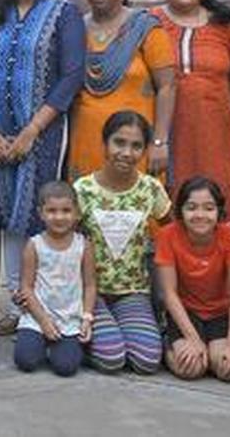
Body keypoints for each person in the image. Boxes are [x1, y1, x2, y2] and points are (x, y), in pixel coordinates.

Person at [0, 0, 85, 336]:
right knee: (8, 218)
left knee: (39, 214)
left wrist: (31, 131)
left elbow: (71, 76)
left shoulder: (63, 12)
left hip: (44, 136)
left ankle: (48, 307)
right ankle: (18, 305)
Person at [151, 0, 230, 221]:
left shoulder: (225, 24)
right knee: (169, 196)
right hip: (166, 127)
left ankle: (221, 260)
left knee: (217, 191)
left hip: (214, 128)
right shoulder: (150, 22)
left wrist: (210, 98)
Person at [68, 0, 175, 181]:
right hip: (86, 141)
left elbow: (167, 87)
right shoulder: (74, 28)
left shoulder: (145, 28)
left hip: (134, 144)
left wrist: (160, 141)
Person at [77, 111, 170, 374]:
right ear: (105, 144)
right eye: (119, 143)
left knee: (147, 361)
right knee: (111, 359)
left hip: (133, 292)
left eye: (136, 145)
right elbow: (59, 241)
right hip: (89, 294)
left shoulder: (151, 189)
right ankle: (94, 336)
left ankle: (120, 325)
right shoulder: (82, 190)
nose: (127, 153)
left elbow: (176, 231)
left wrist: (225, 233)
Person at [155, 176, 230, 382]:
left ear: (219, 212)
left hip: (220, 314)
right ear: (180, 211)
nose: (200, 215)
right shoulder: (167, 236)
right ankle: (167, 343)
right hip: (186, 313)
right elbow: (169, 293)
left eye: (209, 208)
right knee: (191, 368)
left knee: (228, 369)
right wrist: (193, 339)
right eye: (191, 207)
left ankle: (221, 346)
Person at [12, 181, 95, 376]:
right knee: (26, 361)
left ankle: (64, 348)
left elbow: (90, 285)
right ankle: (38, 342)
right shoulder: (34, 245)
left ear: (76, 213)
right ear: (41, 213)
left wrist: (87, 318)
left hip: (70, 318)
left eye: (66, 211)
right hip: (38, 316)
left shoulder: (83, 245)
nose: (59, 217)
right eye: (51, 211)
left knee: (66, 368)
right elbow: (26, 287)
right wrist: (44, 322)